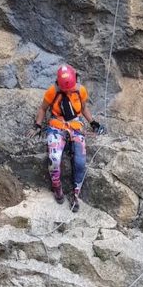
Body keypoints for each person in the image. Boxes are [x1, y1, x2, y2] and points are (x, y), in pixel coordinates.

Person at [33, 64, 105, 212]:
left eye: (70, 88)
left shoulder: (80, 90)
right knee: (54, 158)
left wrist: (93, 123)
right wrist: (38, 125)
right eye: (66, 89)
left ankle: (75, 194)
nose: (68, 91)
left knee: (80, 161)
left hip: (75, 125)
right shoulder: (53, 91)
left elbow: (83, 108)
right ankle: (57, 187)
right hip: (57, 124)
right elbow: (43, 108)